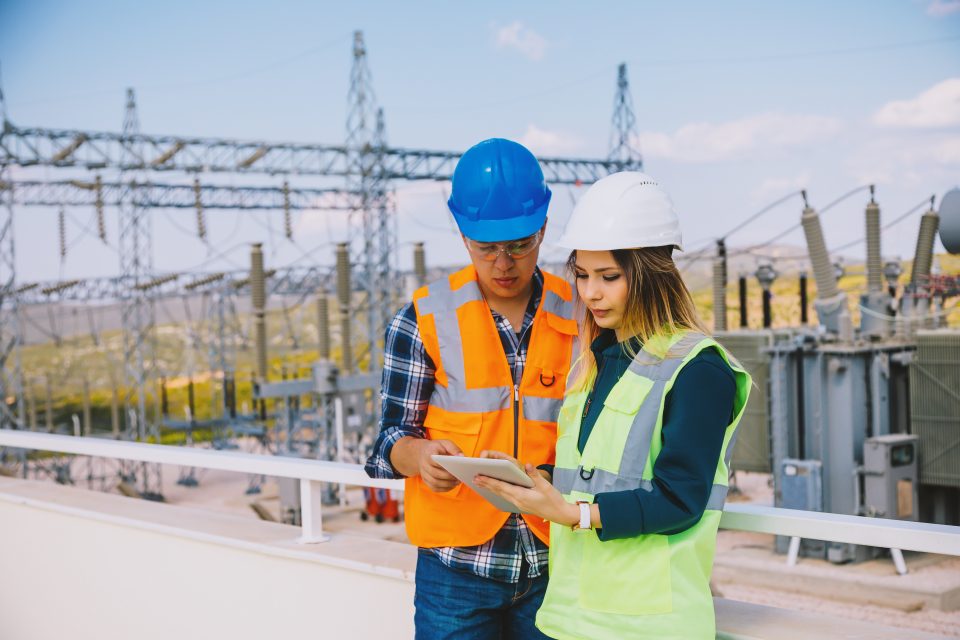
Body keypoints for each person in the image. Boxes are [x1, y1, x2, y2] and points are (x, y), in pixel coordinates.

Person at [476, 171, 752, 640]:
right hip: (571, 619)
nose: (589, 293)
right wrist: (537, 480)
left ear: (649, 275)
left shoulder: (698, 369)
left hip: (649, 627)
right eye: (581, 275)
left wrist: (571, 514)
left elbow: (680, 498)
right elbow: (593, 474)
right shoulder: (594, 363)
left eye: (608, 277)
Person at [364, 138, 578, 640]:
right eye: (487, 248)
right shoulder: (421, 321)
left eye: (519, 244)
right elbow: (388, 441)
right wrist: (419, 458)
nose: (504, 263)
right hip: (455, 574)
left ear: (543, 230)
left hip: (559, 563)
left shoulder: (581, 314)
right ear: (463, 236)